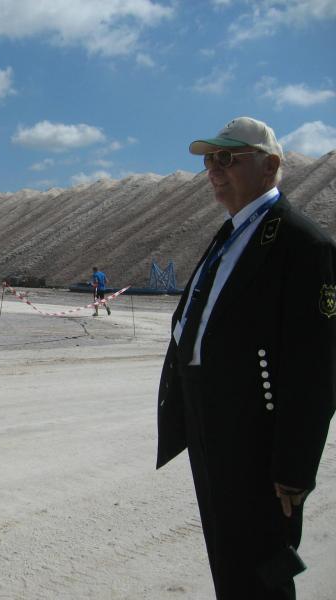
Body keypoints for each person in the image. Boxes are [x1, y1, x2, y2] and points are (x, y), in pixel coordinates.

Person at [156, 117, 336, 599]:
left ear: (269, 166)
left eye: (227, 158)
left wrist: (295, 468)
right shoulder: (232, 234)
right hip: (211, 425)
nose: (214, 170)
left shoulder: (302, 243)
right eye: (209, 161)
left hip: (258, 440)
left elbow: (316, 367)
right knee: (229, 560)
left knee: (261, 571)